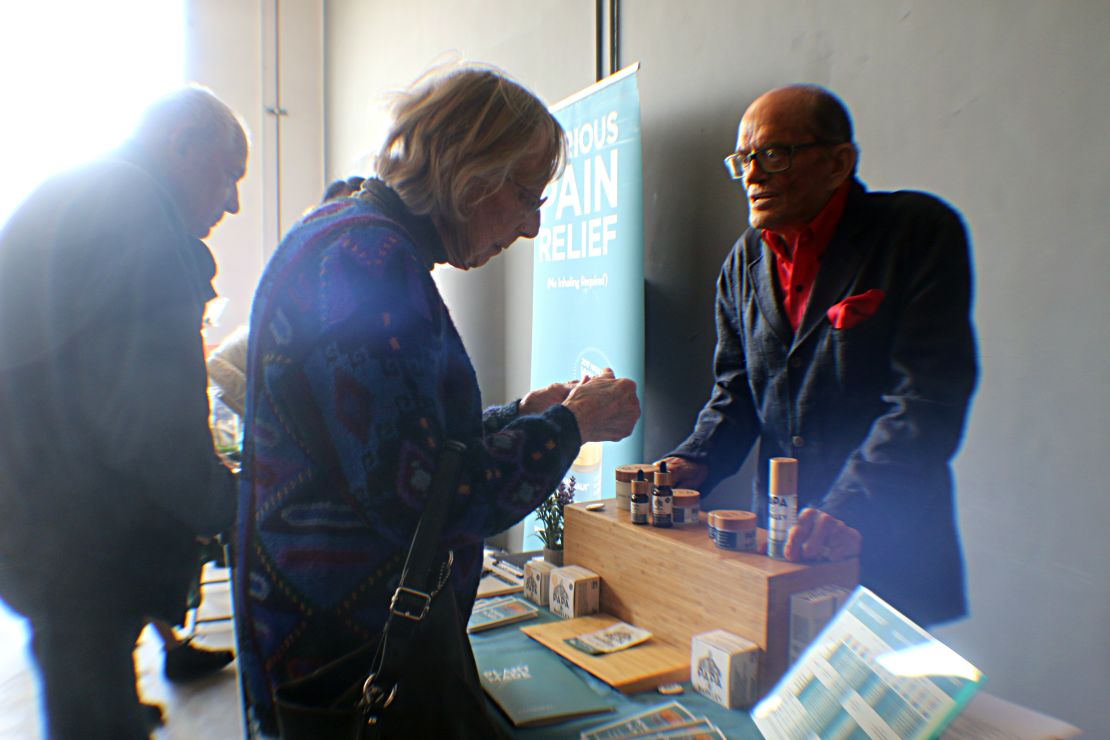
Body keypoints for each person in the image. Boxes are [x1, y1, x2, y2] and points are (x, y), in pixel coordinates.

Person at [234, 65, 640, 736]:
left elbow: (392, 445)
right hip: (351, 658)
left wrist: (523, 414)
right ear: (471, 169)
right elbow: (424, 499)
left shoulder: (343, 233)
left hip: (314, 634)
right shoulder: (369, 263)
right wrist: (570, 426)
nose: (533, 228)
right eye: (527, 196)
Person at [661, 84, 977, 627]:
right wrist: (693, 461)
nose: (753, 176)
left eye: (773, 155)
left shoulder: (915, 233)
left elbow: (925, 400)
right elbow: (734, 395)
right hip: (780, 548)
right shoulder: (742, 264)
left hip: (888, 542)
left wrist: (846, 507)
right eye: (743, 160)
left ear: (839, 162)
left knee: (881, 708)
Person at [0, 85, 247, 739]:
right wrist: (230, 505)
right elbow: (148, 417)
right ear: (181, 144)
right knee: (93, 714)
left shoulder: (86, 193)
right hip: (74, 538)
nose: (234, 201)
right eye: (228, 172)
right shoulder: (135, 213)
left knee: (87, 682)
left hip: (38, 510)